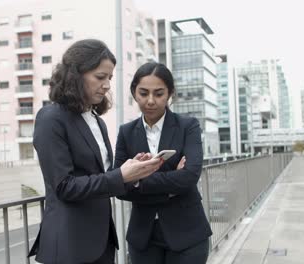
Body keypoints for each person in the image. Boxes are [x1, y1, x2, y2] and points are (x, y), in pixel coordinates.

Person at [28, 39, 162, 264]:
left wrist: (133, 171)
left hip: (101, 243)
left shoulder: (97, 122)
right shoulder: (50, 118)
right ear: (75, 75)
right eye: (100, 77)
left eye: (109, 78)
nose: (108, 85)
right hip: (70, 245)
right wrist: (120, 175)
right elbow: (64, 186)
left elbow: (102, 176)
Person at [114, 62, 213, 264]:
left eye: (158, 94)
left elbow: (190, 176)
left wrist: (139, 180)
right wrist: (171, 186)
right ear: (134, 92)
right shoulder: (126, 132)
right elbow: (118, 185)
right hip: (143, 238)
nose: (150, 101)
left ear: (170, 94)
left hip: (188, 234)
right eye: (143, 93)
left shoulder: (188, 126)